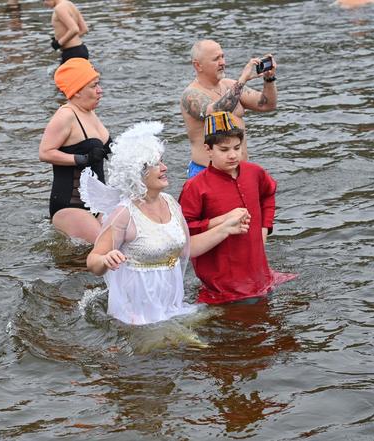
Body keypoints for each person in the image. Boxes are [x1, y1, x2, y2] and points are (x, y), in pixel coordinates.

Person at [81, 121, 250, 325]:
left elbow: (186, 249)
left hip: (170, 304)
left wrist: (225, 229)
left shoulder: (170, 202)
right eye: (157, 164)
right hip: (138, 309)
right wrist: (105, 259)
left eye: (162, 161)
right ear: (138, 172)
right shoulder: (124, 213)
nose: (165, 167)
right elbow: (93, 262)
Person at [178, 112, 296, 304]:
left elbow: (268, 194)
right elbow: (183, 230)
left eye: (237, 148)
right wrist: (219, 221)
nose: (233, 155)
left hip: (257, 269)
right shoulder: (196, 186)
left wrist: (264, 228)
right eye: (224, 150)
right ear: (208, 150)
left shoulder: (254, 172)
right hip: (222, 279)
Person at [180, 39, 278, 178]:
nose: (223, 63)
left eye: (222, 57)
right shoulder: (190, 95)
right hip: (207, 173)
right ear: (198, 65)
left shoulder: (229, 85)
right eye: (216, 59)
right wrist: (242, 80)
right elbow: (217, 113)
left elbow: (267, 104)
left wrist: (269, 79)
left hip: (239, 171)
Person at [39, 58, 110, 243]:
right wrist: (82, 159)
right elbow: (45, 153)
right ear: (77, 91)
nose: (100, 90)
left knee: (124, 240)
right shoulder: (65, 116)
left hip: (98, 202)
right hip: (71, 205)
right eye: (94, 86)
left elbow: (108, 147)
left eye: (99, 84)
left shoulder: (89, 112)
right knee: (105, 246)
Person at [44, 0, 89, 64]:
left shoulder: (59, 8)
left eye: (45, 0)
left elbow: (74, 29)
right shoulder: (69, 4)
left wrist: (59, 43)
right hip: (80, 50)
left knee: (58, 73)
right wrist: (63, 38)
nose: (45, 3)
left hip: (72, 53)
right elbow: (84, 29)